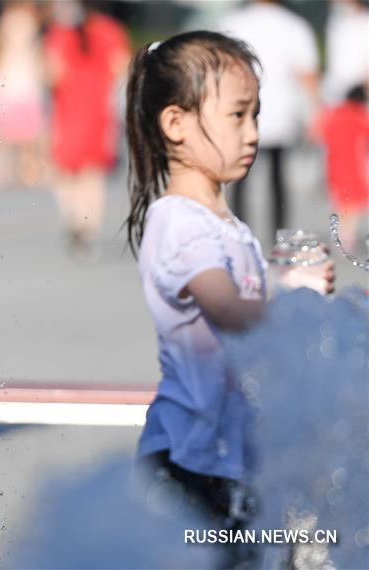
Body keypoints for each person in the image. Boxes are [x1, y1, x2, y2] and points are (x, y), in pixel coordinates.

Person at [123, 32, 334, 568]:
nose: (254, 134)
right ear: (175, 124)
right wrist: (291, 290)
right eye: (238, 115)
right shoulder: (177, 221)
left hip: (228, 449)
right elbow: (229, 310)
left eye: (256, 115)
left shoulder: (225, 224)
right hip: (191, 455)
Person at [220, 0, 320, 234]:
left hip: (239, 111)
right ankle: (279, 233)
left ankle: (238, 230)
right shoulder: (294, 26)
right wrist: (313, 112)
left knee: (239, 176)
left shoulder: (233, 23)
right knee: (278, 177)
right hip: (281, 112)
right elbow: (307, 74)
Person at [44, 0, 129, 256]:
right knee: (93, 176)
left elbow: (52, 73)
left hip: (67, 111)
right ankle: (87, 227)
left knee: (65, 172)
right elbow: (120, 67)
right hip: (98, 112)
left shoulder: (59, 33)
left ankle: (71, 217)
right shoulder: (111, 30)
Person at [0, 1, 45, 188]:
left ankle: (5, 171)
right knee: (29, 133)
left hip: (8, 78)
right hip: (27, 79)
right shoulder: (34, 21)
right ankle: (29, 171)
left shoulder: (6, 21)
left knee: (5, 132)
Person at [315, 84, 369, 253]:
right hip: (354, 168)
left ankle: (341, 237)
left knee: (340, 204)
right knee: (351, 206)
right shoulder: (360, 117)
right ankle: (346, 239)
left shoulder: (333, 115)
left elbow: (320, 133)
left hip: (334, 167)